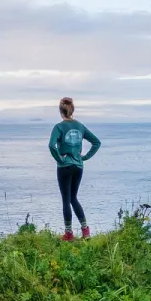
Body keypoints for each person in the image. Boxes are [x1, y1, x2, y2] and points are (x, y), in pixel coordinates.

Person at [48, 97, 101, 241]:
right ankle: (85, 231)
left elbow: (52, 146)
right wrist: (84, 157)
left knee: (66, 200)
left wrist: (60, 159)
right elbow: (96, 142)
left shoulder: (58, 127)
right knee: (74, 198)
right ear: (72, 110)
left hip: (64, 166)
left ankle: (69, 233)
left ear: (61, 111)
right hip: (78, 166)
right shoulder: (80, 126)